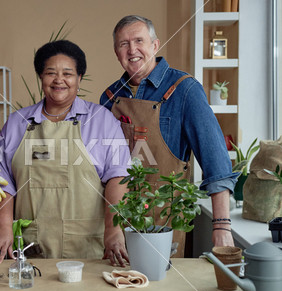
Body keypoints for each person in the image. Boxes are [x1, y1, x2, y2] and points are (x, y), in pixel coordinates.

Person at [100, 15, 239, 257]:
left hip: (166, 219)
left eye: (139, 41)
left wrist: (222, 225)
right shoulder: (110, 97)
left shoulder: (185, 89)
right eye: (123, 44)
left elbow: (215, 160)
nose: (132, 50)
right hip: (117, 224)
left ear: (155, 45)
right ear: (116, 52)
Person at [0, 40, 131, 266]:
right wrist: (4, 226)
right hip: (29, 248)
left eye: (68, 73)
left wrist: (113, 230)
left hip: (88, 249)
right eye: (50, 73)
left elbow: (118, 176)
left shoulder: (102, 120)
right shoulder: (18, 122)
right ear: (41, 78)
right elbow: (2, 180)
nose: (59, 80)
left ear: (79, 79)